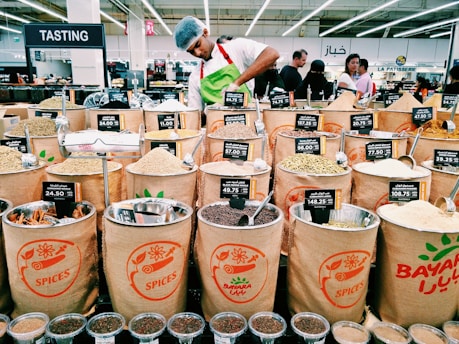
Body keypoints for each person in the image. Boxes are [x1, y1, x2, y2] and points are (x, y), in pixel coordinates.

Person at [173, 16, 280, 112]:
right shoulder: (195, 77)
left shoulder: (236, 48)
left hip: (246, 124)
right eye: (191, 52)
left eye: (197, 45)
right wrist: (208, 112)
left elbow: (272, 54)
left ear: (205, 33)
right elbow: (195, 115)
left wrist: (236, 83)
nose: (197, 53)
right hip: (215, 128)